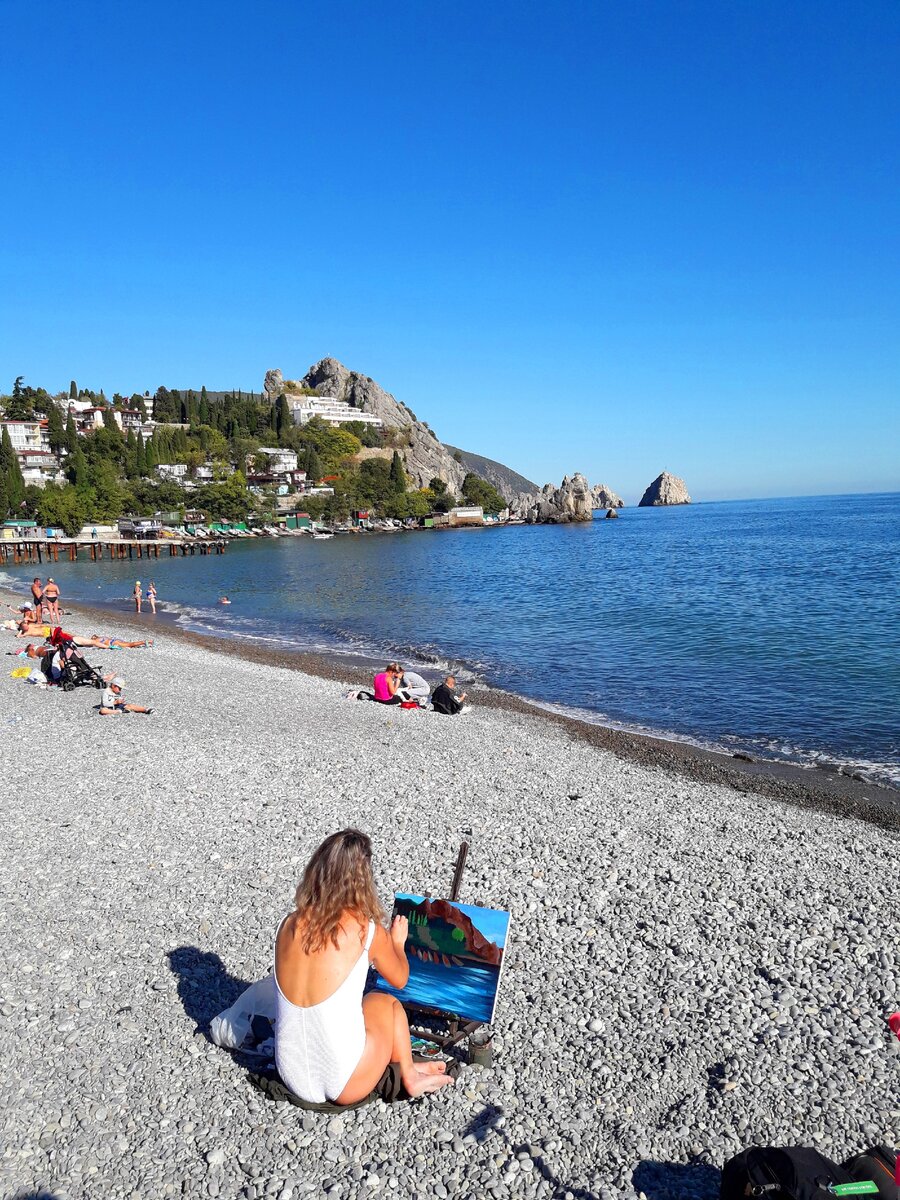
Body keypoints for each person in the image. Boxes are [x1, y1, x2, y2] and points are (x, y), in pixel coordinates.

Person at [273, 829, 454, 1105]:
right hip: (344, 1083)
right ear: (362, 878)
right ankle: (409, 1076)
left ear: (317, 870)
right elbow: (401, 979)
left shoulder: (287, 924)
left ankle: (408, 1068)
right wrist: (398, 943)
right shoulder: (365, 931)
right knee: (385, 1002)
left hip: (291, 1073)